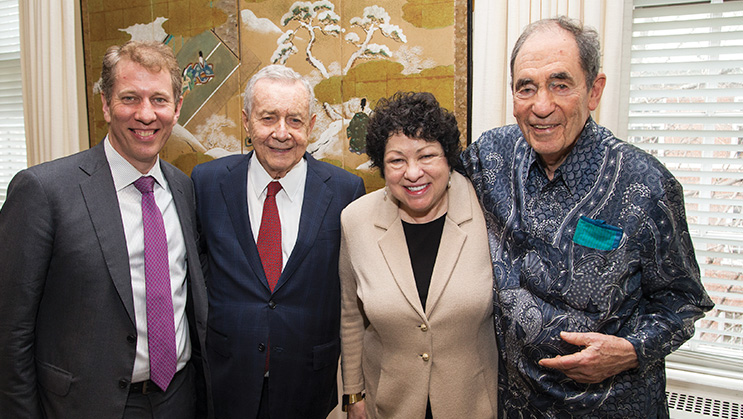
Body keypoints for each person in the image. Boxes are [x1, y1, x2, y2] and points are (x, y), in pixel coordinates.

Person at [460, 17, 714, 418]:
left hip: (612, 406)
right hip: (513, 406)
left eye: (560, 84)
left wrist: (630, 351)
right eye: (526, 87)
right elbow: (425, 176)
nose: (541, 106)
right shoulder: (491, 157)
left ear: (594, 90)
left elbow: (683, 301)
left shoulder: (646, 185)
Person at [0, 41, 210, 418]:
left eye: (159, 99)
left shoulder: (184, 188)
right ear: (106, 105)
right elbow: (10, 333)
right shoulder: (42, 192)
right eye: (129, 98)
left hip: (178, 399)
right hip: (84, 405)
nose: (145, 114)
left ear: (176, 108)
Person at [192, 64, 365, 419]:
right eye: (268, 118)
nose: (281, 133)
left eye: (295, 120)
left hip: (311, 385)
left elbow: (353, 298)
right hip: (228, 381)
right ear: (246, 121)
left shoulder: (346, 192)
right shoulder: (207, 183)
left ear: (312, 125)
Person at [340, 92, 498, 418]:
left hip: (471, 403)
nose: (413, 173)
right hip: (388, 404)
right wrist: (353, 393)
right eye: (397, 160)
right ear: (381, 167)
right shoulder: (355, 220)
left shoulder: (488, 213)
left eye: (426, 156)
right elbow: (351, 316)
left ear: (448, 157)